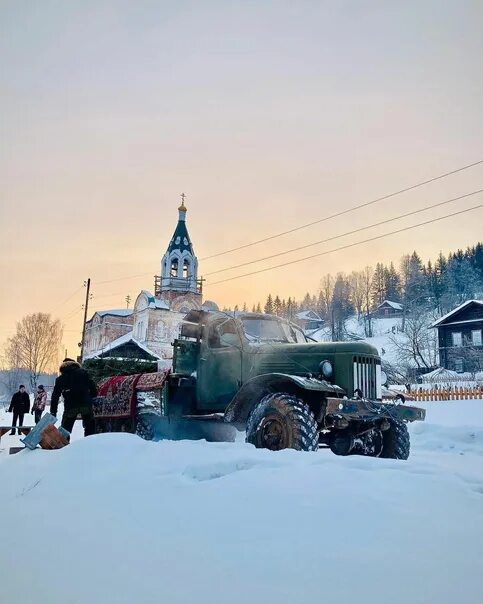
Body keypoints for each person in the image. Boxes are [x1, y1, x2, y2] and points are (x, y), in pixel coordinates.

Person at [50, 358, 97, 437]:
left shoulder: (60, 379)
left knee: (65, 429)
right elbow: (93, 388)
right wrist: (90, 397)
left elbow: (55, 396)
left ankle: (64, 446)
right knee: (90, 427)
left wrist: (53, 411)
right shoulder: (83, 373)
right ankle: (89, 443)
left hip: (70, 406)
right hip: (85, 404)